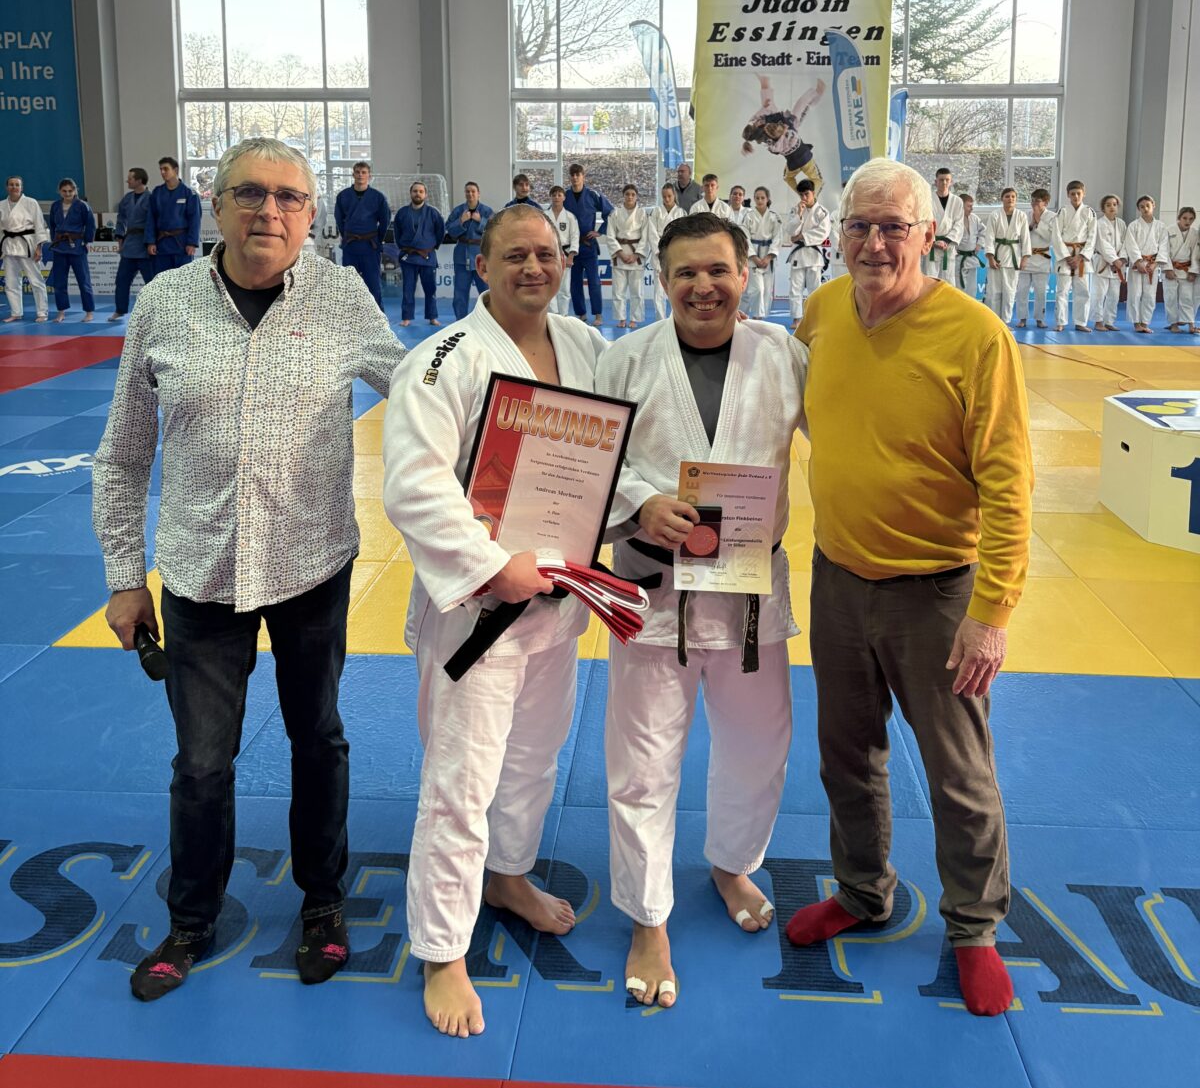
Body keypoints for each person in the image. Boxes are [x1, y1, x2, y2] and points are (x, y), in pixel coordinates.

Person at [94, 138, 406, 1001]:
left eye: (290, 197)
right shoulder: (164, 303)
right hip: (200, 570)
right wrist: (124, 575)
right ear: (217, 204)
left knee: (319, 740)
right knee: (201, 763)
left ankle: (324, 902)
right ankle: (191, 920)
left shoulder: (341, 297)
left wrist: (517, 415)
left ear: (311, 215)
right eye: (251, 194)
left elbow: (419, 391)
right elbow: (123, 454)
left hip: (311, 563)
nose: (270, 211)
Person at [786, 157, 1031, 1019]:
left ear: (929, 234)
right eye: (860, 226)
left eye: (895, 227)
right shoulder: (822, 312)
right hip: (837, 577)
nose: (876, 243)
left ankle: (974, 927)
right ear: (839, 234)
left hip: (937, 594)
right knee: (847, 755)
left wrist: (991, 612)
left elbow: (1009, 486)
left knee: (957, 772)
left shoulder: (975, 335)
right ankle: (861, 892)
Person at [382, 204, 607, 1039]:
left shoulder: (586, 345)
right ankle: (442, 950)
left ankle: (508, 875)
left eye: (546, 253)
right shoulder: (444, 358)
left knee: (535, 757)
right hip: (479, 605)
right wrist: (490, 564)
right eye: (515, 255)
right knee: (462, 778)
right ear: (481, 266)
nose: (533, 267)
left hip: (557, 598)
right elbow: (413, 485)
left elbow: (612, 455)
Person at [596, 213, 807, 1010]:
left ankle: (731, 862)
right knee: (644, 760)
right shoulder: (625, 359)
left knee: (759, 746)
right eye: (685, 272)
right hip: (654, 595)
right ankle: (649, 915)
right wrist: (639, 501)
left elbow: (852, 435)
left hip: (751, 596)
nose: (703, 286)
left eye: (718, 270)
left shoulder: (784, 355)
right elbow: (585, 464)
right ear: (662, 280)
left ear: (746, 274)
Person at [740, 73, 825, 198]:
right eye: (758, 123)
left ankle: (764, 82)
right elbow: (778, 141)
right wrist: (784, 129)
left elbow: (761, 116)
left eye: (757, 122)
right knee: (801, 104)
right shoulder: (770, 136)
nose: (757, 121)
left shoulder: (757, 124)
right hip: (792, 130)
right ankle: (817, 93)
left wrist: (764, 110)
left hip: (789, 137)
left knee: (773, 106)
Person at [334, 162, 391, 312]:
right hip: (350, 245)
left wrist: (378, 239)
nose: (360, 175)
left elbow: (385, 220)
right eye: (358, 172)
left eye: (364, 172)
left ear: (369, 176)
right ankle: (349, 316)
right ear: (353, 174)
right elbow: (339, 219)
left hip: (370, 246)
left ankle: (377, 317)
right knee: (348, 283)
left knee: (373, 284)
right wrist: (346, 236)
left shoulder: (378, 197)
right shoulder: (343, 196)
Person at [564, 163, 614, 327]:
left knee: (594, 281)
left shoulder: (592, 195)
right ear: (570, 177)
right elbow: (555, 215)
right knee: (575, 282)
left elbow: (610, 212)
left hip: (588, 245)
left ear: (583, 176)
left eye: (578, 174)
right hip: (571, 247)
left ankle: (598, 314)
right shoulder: (564, 196)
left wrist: (600, 231)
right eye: (572, 175)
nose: (575, 177)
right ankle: (581, 314)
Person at [394, 181, 445, 328]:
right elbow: (397, 233)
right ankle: (406, 317)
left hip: (427, 256)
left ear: (425, 195)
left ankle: (432, 316)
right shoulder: (402, 213)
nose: (418, 194)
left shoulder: (433, 213)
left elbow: (440, 232)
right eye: (415, 191)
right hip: (409, 257)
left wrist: (431, 247)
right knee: (408, 288)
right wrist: (404, 248)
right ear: (411, 193)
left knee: (430, 289)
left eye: (421, 191)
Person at [1, 176, 49, 323]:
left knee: (36, 280)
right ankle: (16, 312)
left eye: (17, 185)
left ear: (21, 187)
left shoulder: (31, 203)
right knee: (11, 282)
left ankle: (42, 312)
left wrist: (39, 247)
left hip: (27, 245)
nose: (14, 187)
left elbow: (39, 225)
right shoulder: (1, 205)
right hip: (8, 246)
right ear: (7, 187)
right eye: (11, 185)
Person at [48, 178, 96, 322]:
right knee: (59, 282)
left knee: (83, 281)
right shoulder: (55, 206)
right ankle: (61, 312)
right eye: (64, 191)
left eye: (70, 191)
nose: (68, 194)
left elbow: (90, 225)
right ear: (60, 191)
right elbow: (52, 225)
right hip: (60, 248)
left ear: (75, 191)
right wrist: (54, 240)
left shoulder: (83, 206)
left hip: (77, 247)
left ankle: (89, 312)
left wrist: (87, 241)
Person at [445, 182, 494, 320]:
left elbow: (495, 230)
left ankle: (490, 319)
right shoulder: (458, 211)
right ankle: (460, 320)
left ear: (478, 194)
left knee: (486, 291)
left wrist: (481, 221)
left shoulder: (487, 211)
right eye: (467, 191)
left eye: (473, 191)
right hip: (462, 254)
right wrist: (461, 221)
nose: (470, 194)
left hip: (482, 254)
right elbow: (450, 230)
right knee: (460, 293)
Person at [1051, 180, 1097, 332]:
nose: (1076, 196)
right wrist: (1066, 256)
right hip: (1066, 256)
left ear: (1084, 194)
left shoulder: (1089, 212)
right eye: (1072, 194)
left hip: (1081, 258)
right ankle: (1060, 322)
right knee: (1062, 291)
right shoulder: (1062, 211)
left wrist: (1080, 256)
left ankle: (1080, 322)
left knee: (1083, 292)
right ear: (1068, 195)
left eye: (1078, 193)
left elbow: (1092, 236)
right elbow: (1056, 236)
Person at [110, 168, 155, 322]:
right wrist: (120, 238)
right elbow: (121, 219)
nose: (127, 181)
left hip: (145, 245)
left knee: (151, 282)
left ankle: (155, 311)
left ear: (139, 180)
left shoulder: (151, 198)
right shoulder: (127, 199)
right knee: (121, 280)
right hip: (129, 246)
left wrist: (152, 242)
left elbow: (155, 222)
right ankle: (120, 309)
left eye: (130, 178)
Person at [1123, 196, 1170, 333]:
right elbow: (1130, 245)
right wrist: (1138, 262)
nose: (1145, 209)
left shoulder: (1161, 226)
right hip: (1137, 265)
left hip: (1152, 265)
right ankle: (1136, 323)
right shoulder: (1133, 225)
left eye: (1147, 205)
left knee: (1149, 295)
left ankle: (1145, 322)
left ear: (1153, 205)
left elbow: (1164, 246)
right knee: (1135, 294)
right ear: (1138, 209)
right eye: (1142, 207)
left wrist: (1155, 264)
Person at [146, 157, 201, 273]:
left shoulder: (189, 193)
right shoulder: (157, 192)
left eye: (166, 169)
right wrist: (150, 241)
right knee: (162, 280)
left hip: (181, 244)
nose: (162, 172)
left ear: (175, 170)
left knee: (183, 279)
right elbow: (150, 218)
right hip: (162, 244)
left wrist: (192, 243)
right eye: (161, 169)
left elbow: (194, 220)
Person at [984, 187, 1030, 325]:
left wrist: (1025, 258)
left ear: (1016, 199)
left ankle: (1006, 322)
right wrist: (990, 257)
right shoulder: (995, 215)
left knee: (1010, 292)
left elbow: (1025, 238)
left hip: (1013, 258)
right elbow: (989, 237)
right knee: (994, 292)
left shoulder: (1021, 216)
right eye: (1007, 196)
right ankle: (994, 322)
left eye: (1013, 197)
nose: (1010, 199)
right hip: (997, 257)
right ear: (1002, 199)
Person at [607, 183, 650, 330]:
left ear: (636, 196)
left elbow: (645, 237)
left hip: (635, 256)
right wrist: (620, 253)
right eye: (627, 194)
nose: (630, 197)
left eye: (633, 194)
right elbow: (610, 236)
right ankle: (621, 318)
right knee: (618, 290)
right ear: (623, 196)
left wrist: (636, 254)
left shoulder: (642, 214)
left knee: (636, 290)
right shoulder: (615, 213)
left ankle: (634, 318)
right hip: (620, 255)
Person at [786, 179, 830, 323]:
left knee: (815, 289)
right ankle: (797, 319)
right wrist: (799, 215)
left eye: (807, 194)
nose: (804, 198)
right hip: (798, 254)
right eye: (801, 195)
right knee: (795, 288)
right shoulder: (795, 210)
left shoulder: (822, 212)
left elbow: (823, 232)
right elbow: (790, 231)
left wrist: (802, 236)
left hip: (813, 254)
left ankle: (814, 318)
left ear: (813, 193)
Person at [1014, 188, 1054, 328]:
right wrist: (1031, 223)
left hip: (1042, 258)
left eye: (1037, 201)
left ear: (1046, 203)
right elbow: (1019, 235)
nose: (1034, 204)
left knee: (1041, 292)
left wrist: (1038, 221)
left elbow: (1050, 237)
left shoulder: (1052, 217)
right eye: (1032, 201)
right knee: (1022, 291)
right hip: (1026, 257)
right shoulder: (1025, 215)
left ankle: (1039, 319)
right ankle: (1022, 318)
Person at [742, 186, 782, 320]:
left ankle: (761, 318)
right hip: (753, 255)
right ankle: (756, 316)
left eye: (762, 198)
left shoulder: (774, 217)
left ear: (767, 199)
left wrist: (769, 257)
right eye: (757, 198)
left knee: (766, 291)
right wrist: (754, 257)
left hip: (768, 256)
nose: (759, 200)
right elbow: (745, 237)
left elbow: (778, 238)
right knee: (757, 289)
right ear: (754, 199)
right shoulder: (748, 216)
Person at [648, 182, 684, 321]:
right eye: (664, 196)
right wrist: (660, 251)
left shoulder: (681, 212)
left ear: (674, 195)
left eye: (669, 196)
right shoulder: (656, 212)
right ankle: (661, 320)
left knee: (676, 288)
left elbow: (683, 234)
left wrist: (672, 249)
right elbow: (652, 233)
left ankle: (677, 319)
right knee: (658, 291)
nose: (667, 199)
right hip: (659, 255)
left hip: (675, 254)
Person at [1092, 195, 1127, 331]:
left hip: (1118, 264)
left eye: (1114, 204)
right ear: (1103, 208)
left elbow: (1126, 243)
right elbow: (1102, 244)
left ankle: (1109, 321)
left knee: (1114, 295)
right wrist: (1114, 259)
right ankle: (1098, 321)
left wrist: (1122, 259)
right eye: (1108, 205)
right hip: (1102, 261)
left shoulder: (1122, 224)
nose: (1112, 207)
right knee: (1099, 294)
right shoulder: (1099, 223)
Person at [545, 184, 579, 315]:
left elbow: (575, 236)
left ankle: (563, 316)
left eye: (559, 195)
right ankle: (553, 315)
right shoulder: (544, 215)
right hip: (548, 254)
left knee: (564, 289)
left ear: (564, 197)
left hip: (565, 254)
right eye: (554, 195)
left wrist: (571, 256)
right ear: (550, 197)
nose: (556, 197)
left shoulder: (570, 216)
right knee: (550, 285)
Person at [926, 168, 964, 282]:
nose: (944, 182)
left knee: (949, 279)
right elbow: (925, 222)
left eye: (947, 180)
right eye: (941, 180)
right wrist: (933, 241)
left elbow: (959, 224)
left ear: (951, 182)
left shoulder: (957, 201)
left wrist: (946, 241)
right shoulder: (928, 200)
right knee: (931, 279)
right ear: (935, 181)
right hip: (932, 245)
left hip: (948, 246)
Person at [1165, 205, 1198, 333]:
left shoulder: (1195, 233)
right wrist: (1168, 269)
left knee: (1187, 297)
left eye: (1191, 219)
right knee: (1171, 297)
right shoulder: (1169, 230)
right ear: (1179, 218)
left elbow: (1196, 253)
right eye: (1184, 218)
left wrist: (1193, 271)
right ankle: (1173, 324)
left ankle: (1191, 325)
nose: (1187, 221)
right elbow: (1164, 251)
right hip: (1171, 268)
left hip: (1186, 270)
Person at [956, 193, 984, 299]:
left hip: (972, 258)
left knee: (972, 289)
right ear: (961, 206)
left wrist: (979, 244)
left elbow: (984, 231)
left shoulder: (975, 218)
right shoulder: (954, 219)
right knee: (959, 289)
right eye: (969, 206)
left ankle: (971, 307)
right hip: (958, 259)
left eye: (972, 206)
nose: (972, 209)